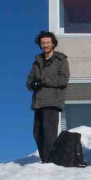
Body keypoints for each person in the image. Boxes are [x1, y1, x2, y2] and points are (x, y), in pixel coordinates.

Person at [26, 31, 70, 164]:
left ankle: (50, 160)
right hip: (38, 102)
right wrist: (33, 84)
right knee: (37, 133)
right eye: (43, 43)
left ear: (53, 43)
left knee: (49, 134)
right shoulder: (36, 62)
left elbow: (63, 79)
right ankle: (45, 159)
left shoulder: (61, 60)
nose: (45, 45)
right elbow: (29, 82)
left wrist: (43, 81)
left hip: (52, 101)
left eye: (48, 42)